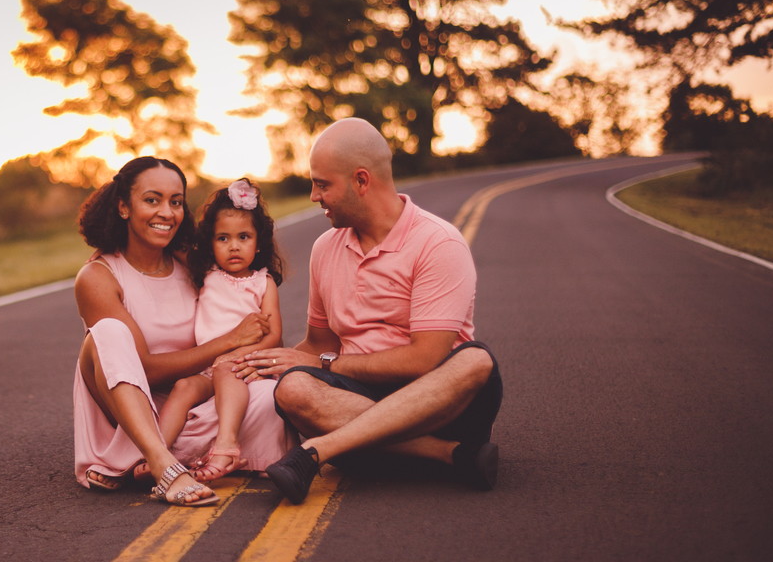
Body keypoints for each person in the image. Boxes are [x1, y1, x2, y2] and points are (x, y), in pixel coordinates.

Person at [240, 118, 503, 504]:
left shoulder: (438, 242)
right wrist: (262, 364)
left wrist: (325, 365)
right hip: (359, 398)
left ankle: (320, 452)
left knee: (476, 361)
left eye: (323, 184)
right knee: (293, 386)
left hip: (440, 403)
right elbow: (319, 344)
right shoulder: (325, 248)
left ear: (361, 181)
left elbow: (424, 360)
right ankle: (446, 455)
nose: (314, 195)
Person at [72, 157, 293, 507]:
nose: (167, 212)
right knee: (108, 333)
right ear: (123, 206)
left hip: (199, 406)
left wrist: (246, 351)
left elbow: (249, 316)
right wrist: (230, 340)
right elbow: (144, 368)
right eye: (152, 199)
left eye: (176, 202)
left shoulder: (194, 263)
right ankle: (160, 461)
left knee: (270, 394)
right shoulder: (98, 276)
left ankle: (189, 454)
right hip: (134, 413)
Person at [153, 179, 285, 483]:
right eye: (223, 238)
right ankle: (157, 452)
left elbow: (273, 334)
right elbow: (171, 240)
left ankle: (227, 444)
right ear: (211, 243)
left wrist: (238, 355)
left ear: (259, 241)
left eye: (244, 237)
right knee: (184, 387)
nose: (234, 246)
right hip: (208, 369)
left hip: (245, 364)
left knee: (225, 370)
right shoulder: (209, 274)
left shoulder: (263, 283)